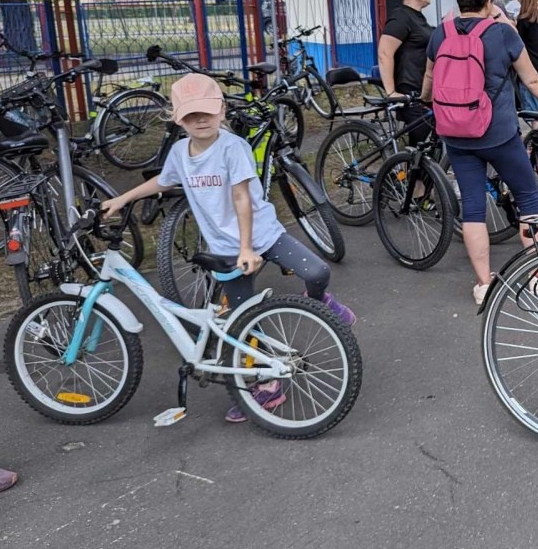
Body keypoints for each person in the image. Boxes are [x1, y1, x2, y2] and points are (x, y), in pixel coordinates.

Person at [102, 74, 355, 422]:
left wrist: (249, 248)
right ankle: (263, 387)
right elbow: (163, 180)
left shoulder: (232, 147)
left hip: (262, 235)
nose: (201, 120)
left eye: (207, 111)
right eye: (191, 116)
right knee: (245, 324)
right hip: (225, 249)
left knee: (317, 271)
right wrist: (123, 198)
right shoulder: (180, 153)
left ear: (222, 111)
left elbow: (241, 197)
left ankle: (322, 304)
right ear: (177, 119)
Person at [420, 0, 538, 309]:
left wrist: (428, 100)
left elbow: (428, 79)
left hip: (455, 132)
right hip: (497, 132)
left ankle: (484, 283)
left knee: (472, 208)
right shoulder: (502, 34)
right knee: (528, 195)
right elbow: (532, 81)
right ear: (488, 0)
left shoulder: (441, 33)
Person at [378, 0, 435, 142]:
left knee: (429, 145)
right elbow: (384, 52)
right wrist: (391, 92)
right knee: (419, 147)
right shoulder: (401, 17)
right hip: (410, 90)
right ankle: (411, 170)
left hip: (424, 89)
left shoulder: (418, 18)